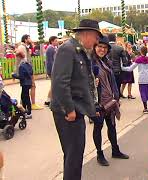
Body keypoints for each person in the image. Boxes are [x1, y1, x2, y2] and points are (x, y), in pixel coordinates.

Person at [50, 19, 102, 180]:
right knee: (74, 156)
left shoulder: (78, 50)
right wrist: (69, 109)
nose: (96, 41)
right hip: (68, 112)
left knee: (75, 155)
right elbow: (59, 82)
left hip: (77, 109)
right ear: (86, 34)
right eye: (95, 37)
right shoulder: (68, 49)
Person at [91, 36, 129, 167]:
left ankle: (115, 150)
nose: (102, 49)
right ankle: (99, 154)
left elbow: (112, 81)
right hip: (99, 102)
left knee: (112, 126)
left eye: (104, 48)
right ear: (94, 47)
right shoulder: (91, 63)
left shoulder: (106, 61)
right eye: (99, 47)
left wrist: (116, 97)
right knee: (98, 127)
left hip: (110, 100)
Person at [121, 46, 148, 113]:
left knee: (143, 93)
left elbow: (130, 69)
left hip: (141, 79)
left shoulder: (138, 60)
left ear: (141, 51)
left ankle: (145, 108)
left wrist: (122, 68)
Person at [15, 34, 43, 110]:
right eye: (29, 38)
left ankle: (22, 105)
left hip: (26, 69)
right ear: (25, 39)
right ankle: (31, 104)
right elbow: (17, 52)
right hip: (25, 70)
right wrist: (23, 57)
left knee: (26, 88)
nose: (31, 39)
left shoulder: (26, 47)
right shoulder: (22, 46)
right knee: (30, 86)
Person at [12, 51, 33, 119]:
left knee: (25, 98)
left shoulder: (21, 66)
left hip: (25, 83)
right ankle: (25, 111)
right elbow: (31, 72)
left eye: (17, 57)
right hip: (29, 82)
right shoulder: (27, 63)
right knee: (25, 97)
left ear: (19, 57)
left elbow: (21, 77)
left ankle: (28, 113)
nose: (16, 59)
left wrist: (14, 75)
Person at [107, 34, 127, 98]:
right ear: (115, 39)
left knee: (108, 86)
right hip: (117, 70)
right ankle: (117, 101)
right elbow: (125, 61)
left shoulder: (105, 47)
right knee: (117, 87)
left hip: (107, 70)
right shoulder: (120, 48)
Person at [44, 36, 59, 106]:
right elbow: (50, 61)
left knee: (53, 85)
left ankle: (50, 99)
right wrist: (52, 70)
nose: (57, 42)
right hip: (52, 70)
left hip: (53, 69)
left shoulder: (53, 48)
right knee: (54, 85)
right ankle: (49, 100)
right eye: (56, 41)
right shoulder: (50, 49)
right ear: (52, 41)